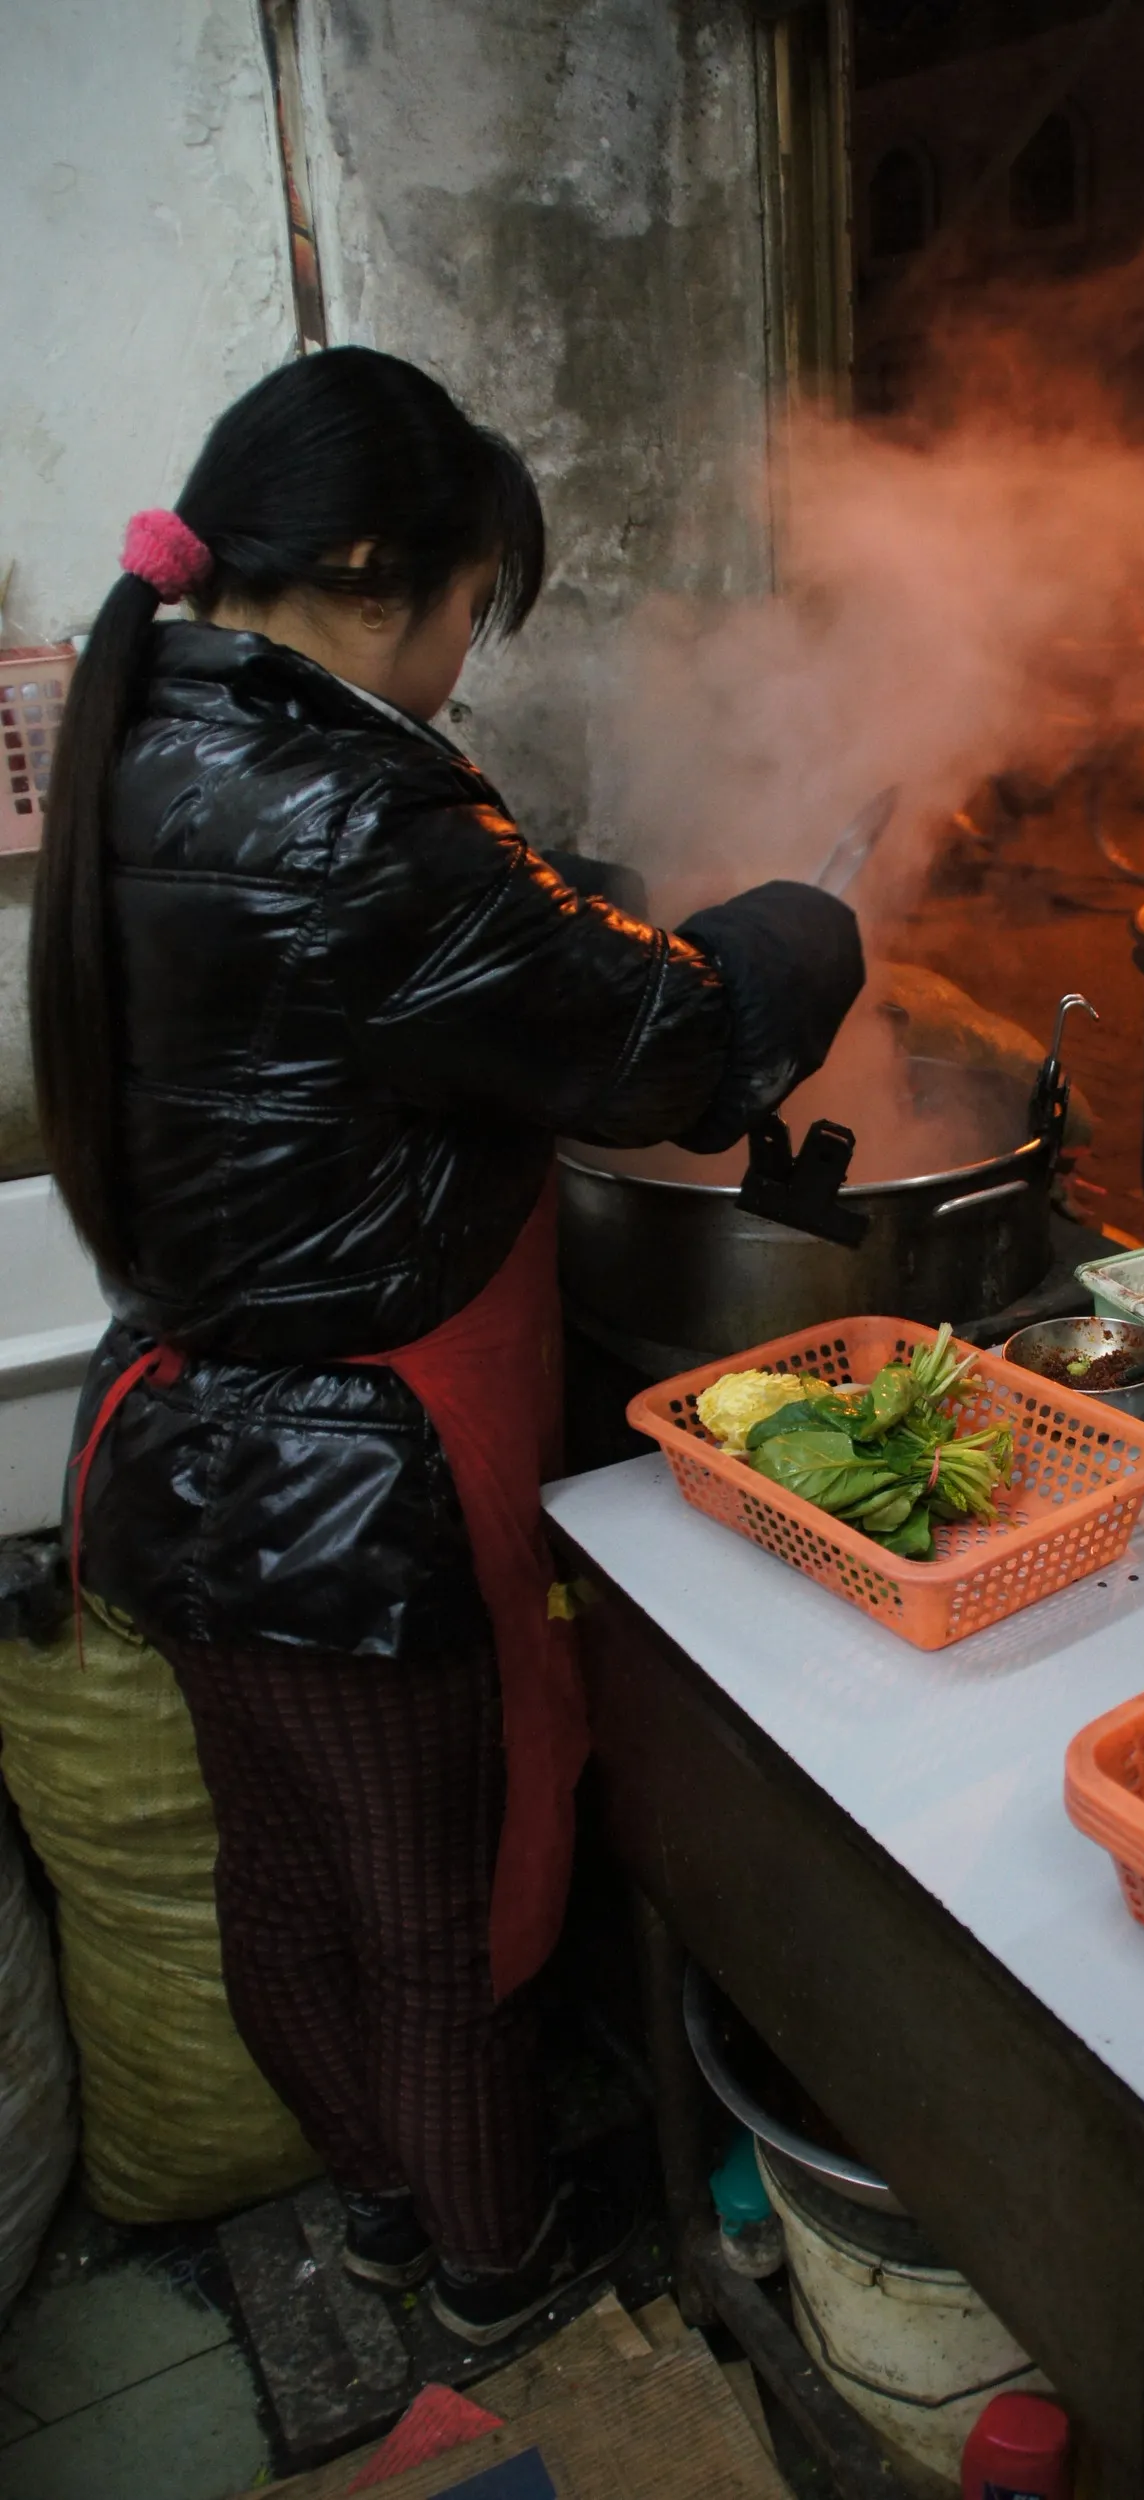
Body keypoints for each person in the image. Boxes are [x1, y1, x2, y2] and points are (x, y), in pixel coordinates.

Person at [29, 346, 863, 2345]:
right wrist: (807, 922)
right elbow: (671, 1048)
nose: (460, 662)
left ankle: (390, 2211)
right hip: (355, 1499)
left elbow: (377, 991)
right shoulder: (361, 811)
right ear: (372, 571)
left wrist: (558, 905)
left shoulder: (145, 730)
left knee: (282, 1882)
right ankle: (494, 2268)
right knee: (448, 1929)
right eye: (472, 610)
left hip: (177, 1455)